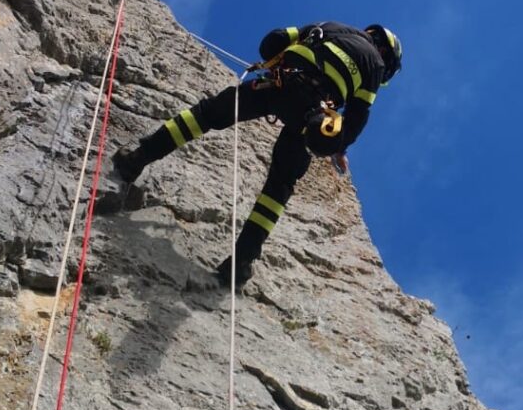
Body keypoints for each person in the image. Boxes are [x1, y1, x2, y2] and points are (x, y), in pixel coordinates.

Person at [109, 22, 402, 290]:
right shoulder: (374, 65)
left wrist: (274, 62)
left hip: (279, 84)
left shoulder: (330, 27)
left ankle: (137, 158)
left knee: (206, 115)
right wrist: (338, 147)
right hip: (313, 112)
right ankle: (240, 263)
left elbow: (274, 40)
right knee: (279, 187)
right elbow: (358, 115)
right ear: (385, 56)